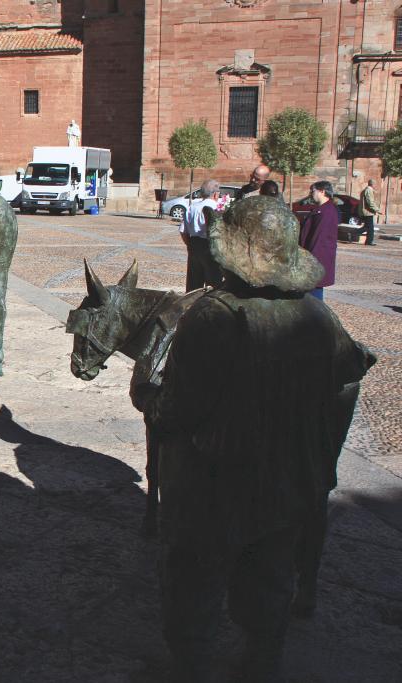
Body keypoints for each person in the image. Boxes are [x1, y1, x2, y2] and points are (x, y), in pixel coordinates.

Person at [135, 196, 374, 682]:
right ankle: (261, 660)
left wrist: (148, 399)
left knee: (193, 579)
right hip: (288, 479)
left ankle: (190, 666)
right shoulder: (318, 318)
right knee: (269, 576)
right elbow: (351, 374)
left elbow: (183, 407)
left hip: (215, 483)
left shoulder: (214, 317)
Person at [298, 180, 338, 300]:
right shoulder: (321, 210)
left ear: (322, 191)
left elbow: (319, 239)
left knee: (314, 294)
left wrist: (310, 260)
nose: (311, 193)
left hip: (317, 258)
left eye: (313, 190)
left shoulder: (326, 211)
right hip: (315, 258)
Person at [180, 179, 222, 291]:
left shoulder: (192, 207)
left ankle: (191, 305)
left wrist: (190, 245)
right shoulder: (218, 208)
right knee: (213, 282)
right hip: (211, 246)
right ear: (216, 194)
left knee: (194, 282)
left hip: (194, 244)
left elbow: (183, 231)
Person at [358, 179, 380, 246]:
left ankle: (352, 233)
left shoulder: (367, 190)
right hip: (367, 212)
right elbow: (370, 202)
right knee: (370, 228)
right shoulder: (369, 190)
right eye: (375, 184)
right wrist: (377, 209)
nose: (375, 185)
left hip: (367, 211)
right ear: (372, 184)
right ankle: (369, 242)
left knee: (366, 227)